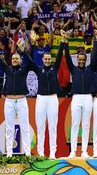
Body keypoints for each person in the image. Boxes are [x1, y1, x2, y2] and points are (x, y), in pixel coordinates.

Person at [0, 34, 33, 158]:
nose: (15, 60)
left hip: (22, 100)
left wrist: (24, 50)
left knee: (25, 127)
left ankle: (28, 153)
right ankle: (9, 154)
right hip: (9, 101)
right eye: (13, 59)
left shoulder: (24, 69)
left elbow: (30, 61)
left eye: (17, 59)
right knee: (9, 128)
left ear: (20, 60)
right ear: (11, 60)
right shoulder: (7, 69)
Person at [24, 31, 63, 159]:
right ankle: (40, 152)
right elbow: (29, 61)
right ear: (42, 59)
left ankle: (52, 153)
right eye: (45, 59)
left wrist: (63, 42)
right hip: (40, 99)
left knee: (52, 126)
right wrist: (25, 49)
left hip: (52, 98)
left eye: (48, 59)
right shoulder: (38, 68)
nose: (47, 60)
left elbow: (59, 57)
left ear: (50, 59)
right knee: (40, 126)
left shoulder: (54, 67)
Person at [65, 31, 97, 158]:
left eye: (83, 59)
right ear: (77, 59)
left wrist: (95, 40)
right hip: (77, 97)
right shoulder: (73, 69)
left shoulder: (90, 68)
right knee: (75, 124)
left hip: (88, 98)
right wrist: (65, 42)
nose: (81, 61)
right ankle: (73, 151)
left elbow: (95, 56)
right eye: (79, 59)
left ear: (85, 60)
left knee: (86, 125)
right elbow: (68, 57)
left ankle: (84, 151)